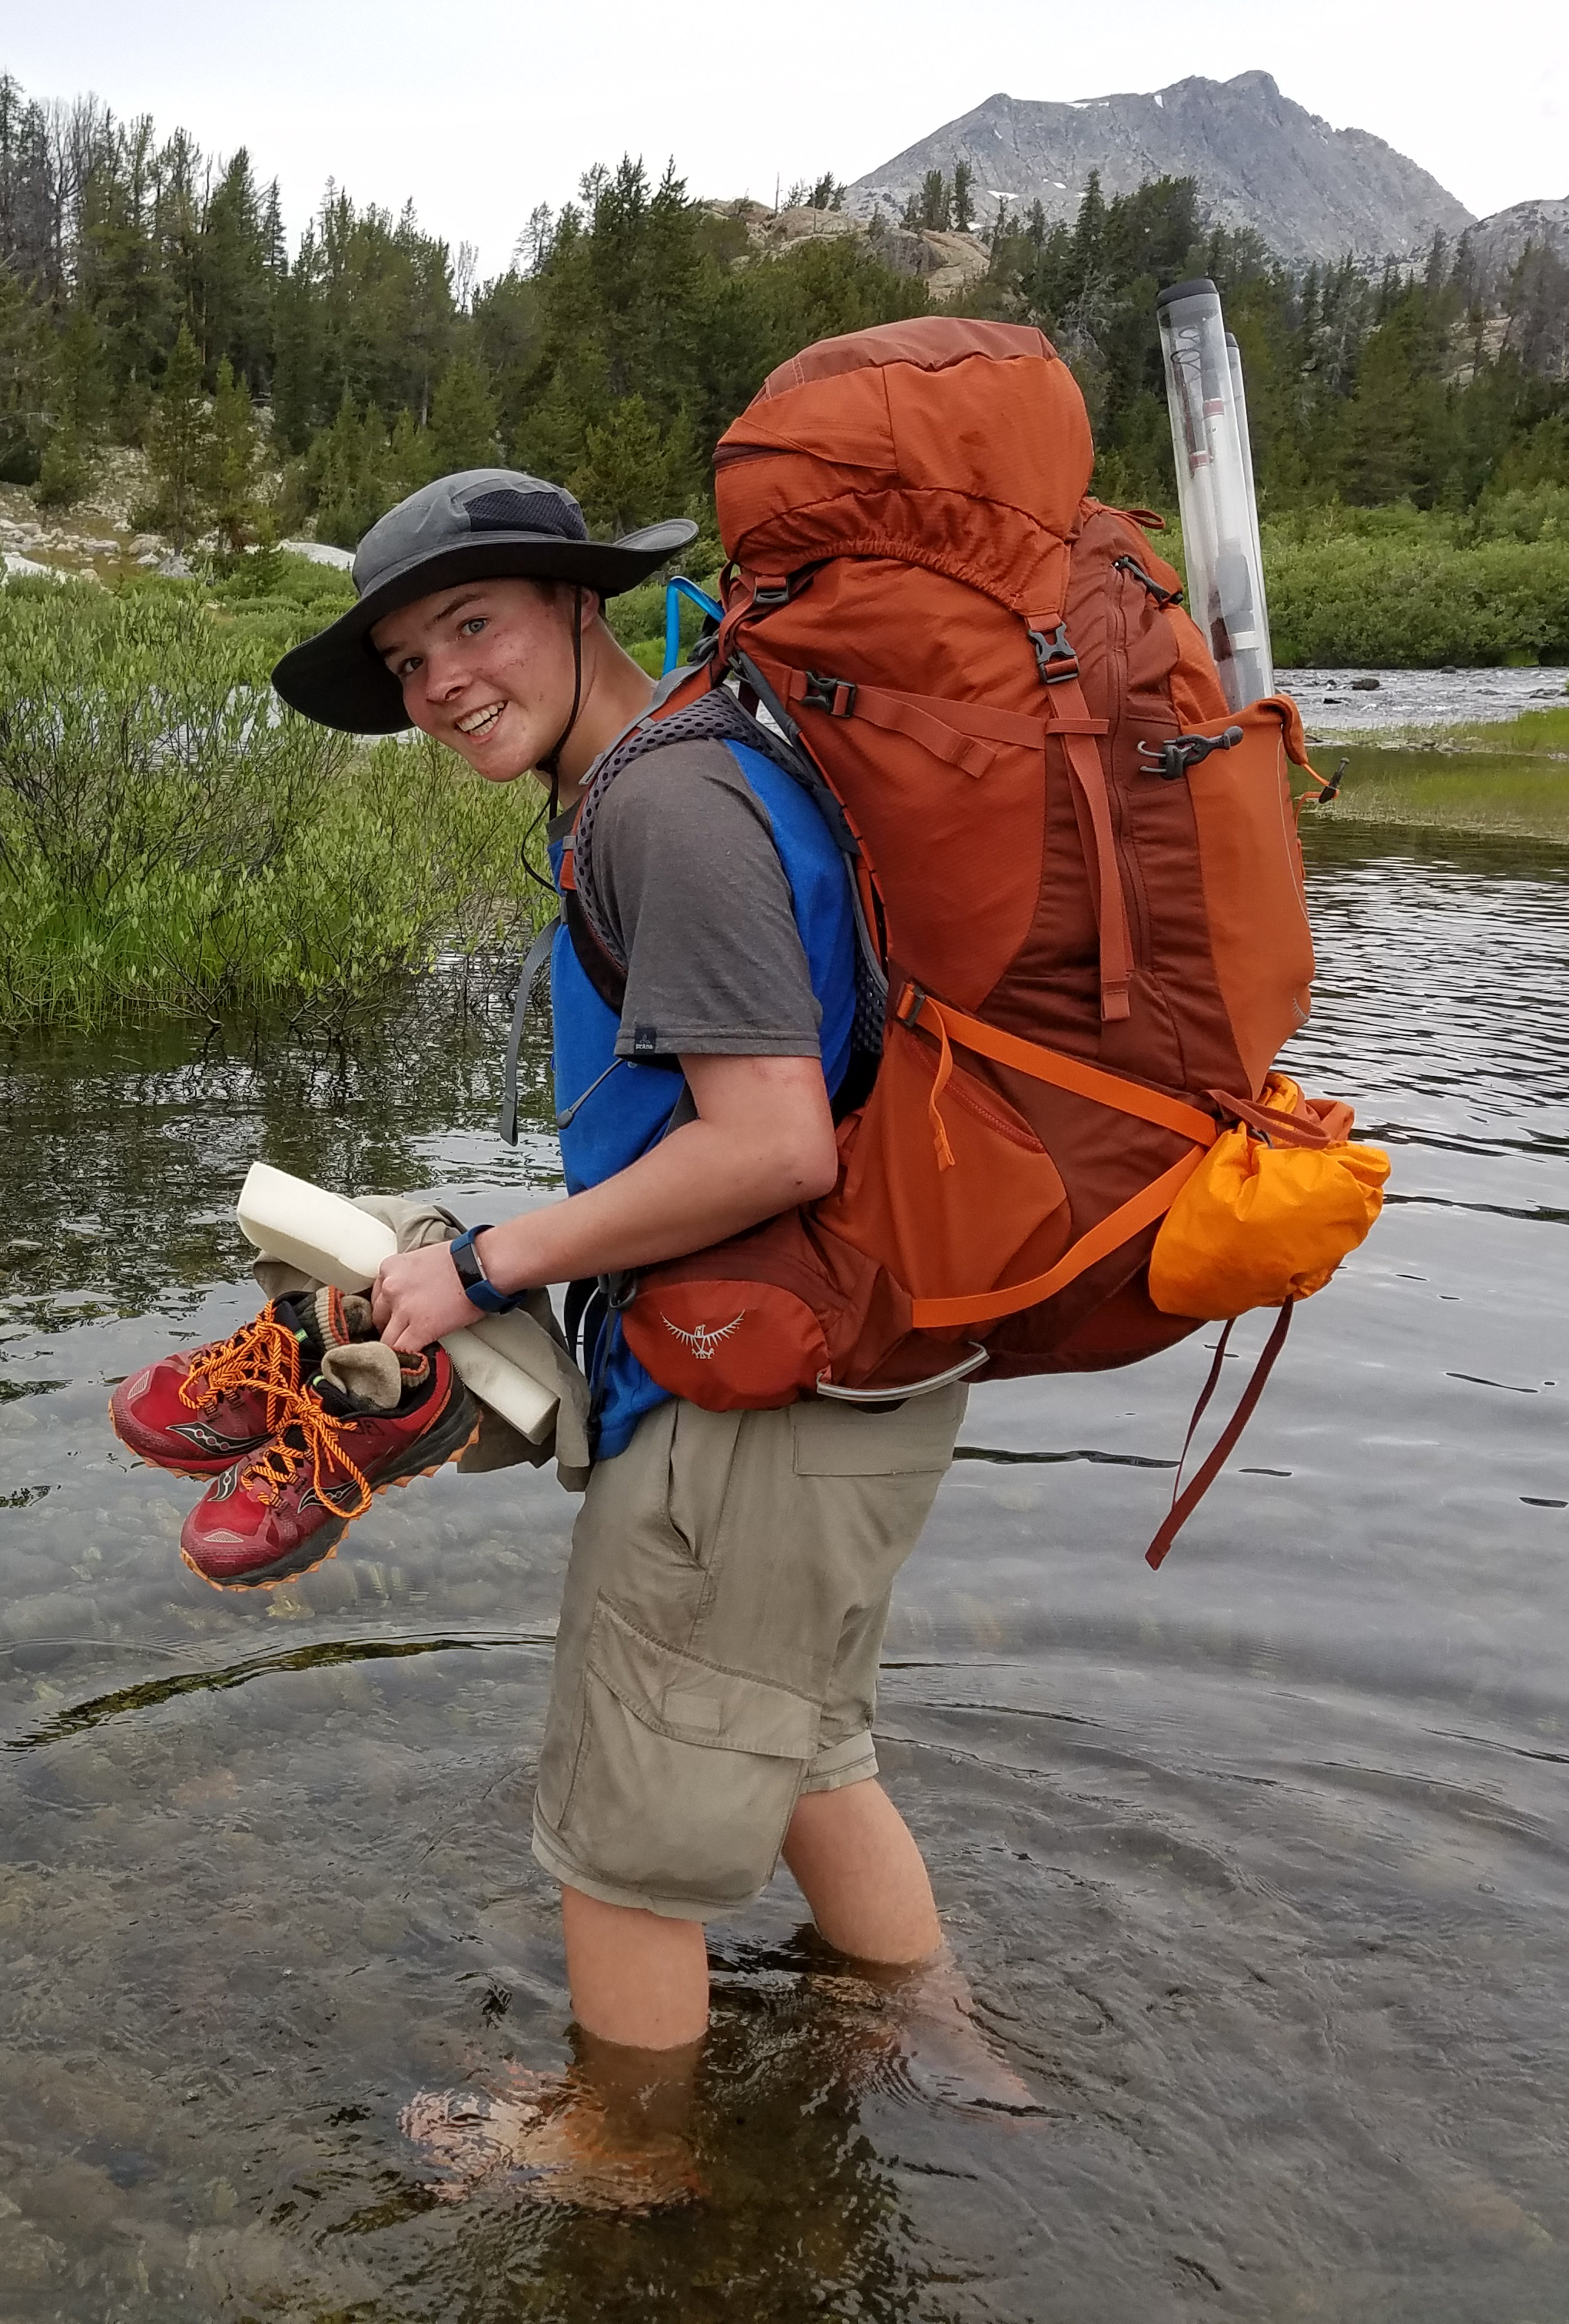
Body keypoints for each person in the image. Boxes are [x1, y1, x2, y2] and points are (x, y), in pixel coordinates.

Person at [264, 470, 1017, 2181]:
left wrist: (486, 1267)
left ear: (579, 604)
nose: (442, 682)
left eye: (474, 623)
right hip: (846, 1358)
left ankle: (622, 2152)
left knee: (619, 1812)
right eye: (403, 661)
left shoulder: (658, 805)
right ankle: (943, 2043)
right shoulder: (695, 757)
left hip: (759, 1383)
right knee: (806, 1737)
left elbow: (770, 1139)